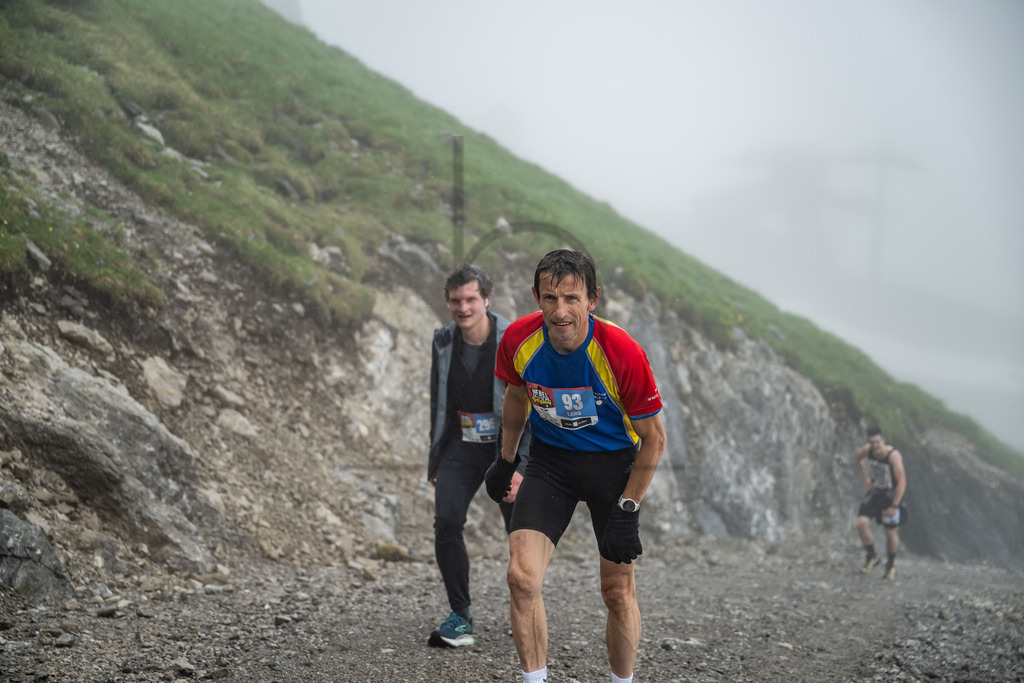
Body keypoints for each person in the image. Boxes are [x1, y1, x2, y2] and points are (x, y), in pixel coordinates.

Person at [485, 249, 666, 683]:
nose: (560, 311)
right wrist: (506, 458)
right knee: (521, 578)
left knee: (617, 593)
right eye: (550, 298)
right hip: (552, 463)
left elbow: (654, 440)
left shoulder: (621, 351)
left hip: (613, 466)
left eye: (571, 298)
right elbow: (515, 396)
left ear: (593, 299)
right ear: (536, 296)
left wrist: (628, 509)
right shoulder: (519, 340)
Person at [427, 264, 531, 648]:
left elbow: (532, 405)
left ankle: (528, 609)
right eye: (456, 300)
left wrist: (522, 465)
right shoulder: (442, 340)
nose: (463, 307)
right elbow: (439, 403)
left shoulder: (514, 340)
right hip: (461, 447)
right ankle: (460, 617)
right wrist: (436, 459)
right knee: (446, 522)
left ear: (487, 300)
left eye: (471, 299)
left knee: (520, 534)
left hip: (508, 451)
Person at [854, 426, 907, 581]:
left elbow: (902, 481)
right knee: (861, 523)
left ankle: (890, 565)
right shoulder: (867, 450)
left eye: (877, 442)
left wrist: (895, 505)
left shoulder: (893, 456)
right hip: (875, 492)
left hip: (891, 496)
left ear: (883, 440)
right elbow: (857, 458)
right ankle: (872, 556)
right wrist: (864, 479)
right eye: (872, 442)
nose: (875, 446)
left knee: (889, 532)